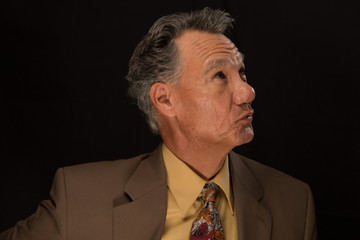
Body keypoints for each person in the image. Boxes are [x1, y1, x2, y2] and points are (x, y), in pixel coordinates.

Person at [0, 7, 317, 240]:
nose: (248, 92)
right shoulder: (81, 199)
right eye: (220, 76)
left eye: (242, 73)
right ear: (165, 100)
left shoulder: (293, 202)